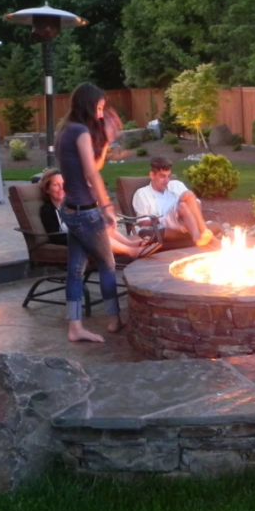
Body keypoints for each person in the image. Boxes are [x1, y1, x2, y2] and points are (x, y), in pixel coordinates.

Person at [53, 82, 124, 342]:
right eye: (100, 107)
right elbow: (92, 173)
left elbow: (92, 164)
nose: (101, 113)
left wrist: (106, 141)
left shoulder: (65, 130)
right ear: (89, 105)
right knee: (108, 264)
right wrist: (107, 207)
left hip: (70, 209)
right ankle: (114, 320)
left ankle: (75, 328)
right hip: (85, 211)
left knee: (75, 270)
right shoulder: (81, 131)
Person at [37, 168, 161, 259]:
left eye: (63, 184)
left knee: (101, 226)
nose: (61, 188)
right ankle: (131, 251)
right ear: (47, 189)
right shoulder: (47, 210)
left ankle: (131, 243)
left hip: (84, 234)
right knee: (96, 234)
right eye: (56, 185)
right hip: (72, 239)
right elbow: (55, 237)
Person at [131, 156, 216, 247]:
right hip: (163, 223)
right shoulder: (142, 193)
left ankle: (201, 235)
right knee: (185, 200)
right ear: (152, 175)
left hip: (185, 220)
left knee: (186, 202)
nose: (166, 180)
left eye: (168, 176)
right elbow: (144, 223)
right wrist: (161, 220)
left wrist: (188, 215)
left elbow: (196, 204)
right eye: (162, 176)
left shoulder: (176, 185)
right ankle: (204, 234)